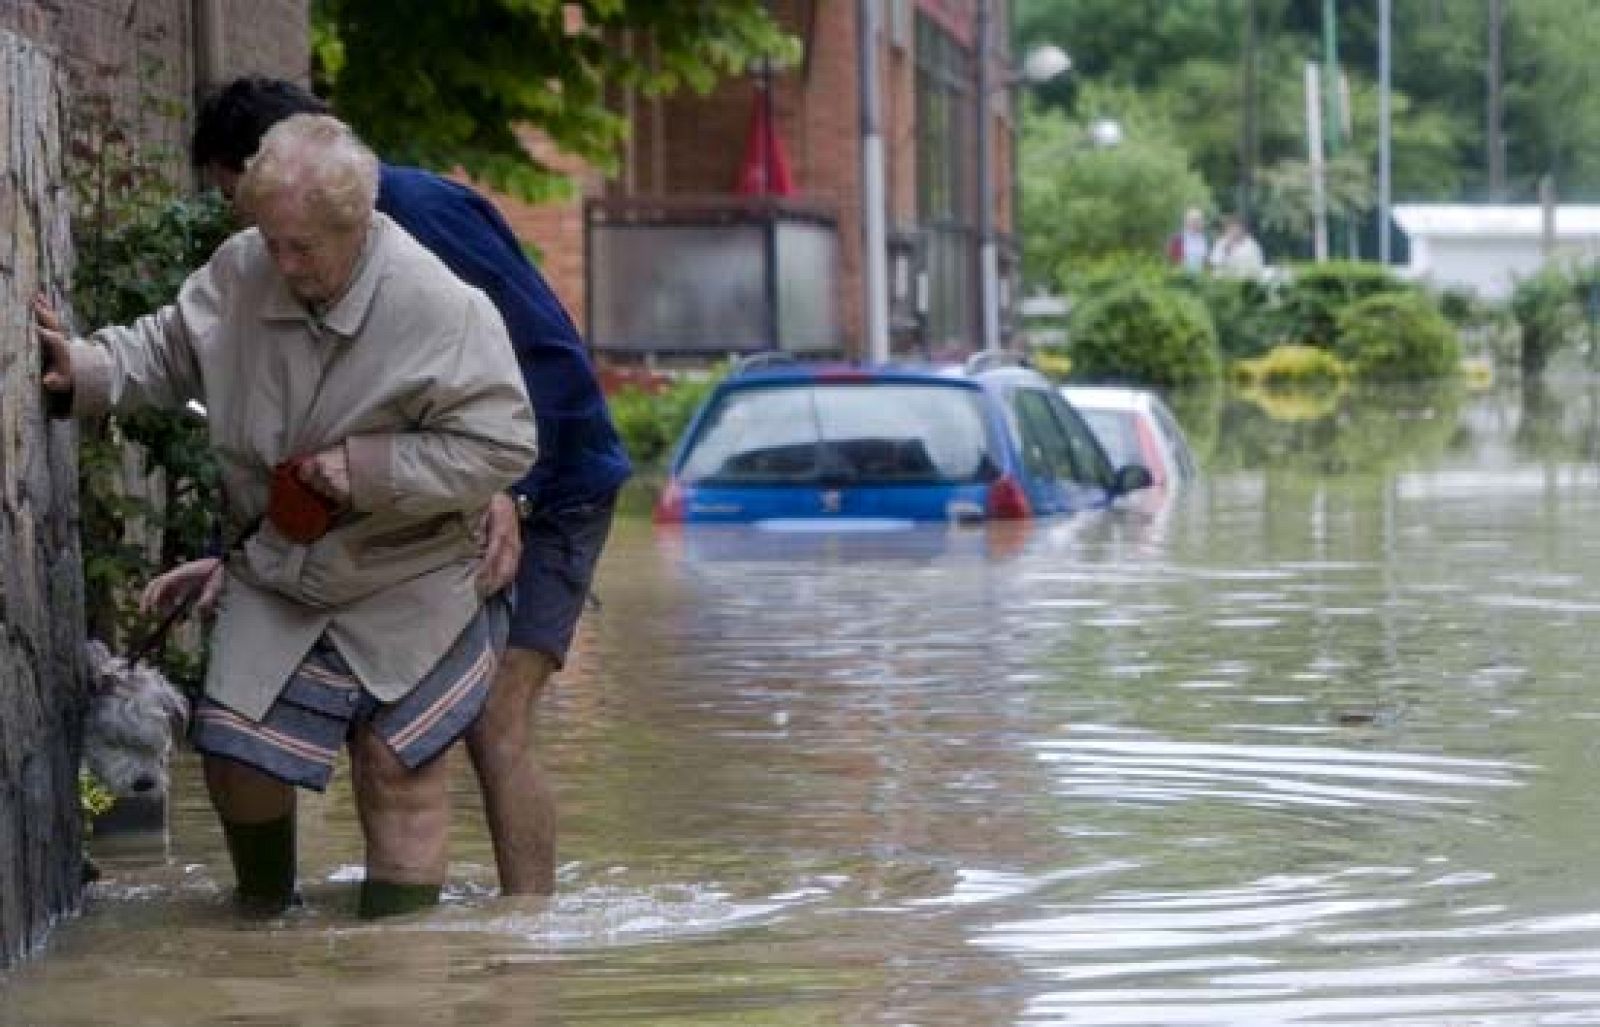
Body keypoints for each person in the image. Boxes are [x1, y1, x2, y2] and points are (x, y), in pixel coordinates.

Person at [34, 114, 539, 917]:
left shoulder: (445, 309)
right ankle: (265, 921)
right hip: (280, 563)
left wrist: (366, 469)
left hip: (410, 573)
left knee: (395, 766)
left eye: (302, 247)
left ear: (360, 226)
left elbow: (503, 445)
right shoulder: (245, 268)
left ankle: (393, 973)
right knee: (235, 755)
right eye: (271, 239)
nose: (282, 262)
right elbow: (168, 348)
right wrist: (86, 369)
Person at [167, 76, 633, 896]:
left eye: (233, 193)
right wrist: (230, 552)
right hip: (432, 496)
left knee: (491, 716)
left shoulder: (419, 220)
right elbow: (288, 432)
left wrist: (511, 496)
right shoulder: (289, 262)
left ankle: (529, 949)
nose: (237, 220)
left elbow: (547, 362)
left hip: (555, 483)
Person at [1166, 207, 1210, 273]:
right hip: (1181, 275)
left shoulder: (1204, 239)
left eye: (1199, 221)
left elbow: (1206, 261)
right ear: (1186, 222)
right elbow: (1170, 259)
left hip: (1200, 277)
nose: (1196, 223)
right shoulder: (1178, 238)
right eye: (1194, 221)